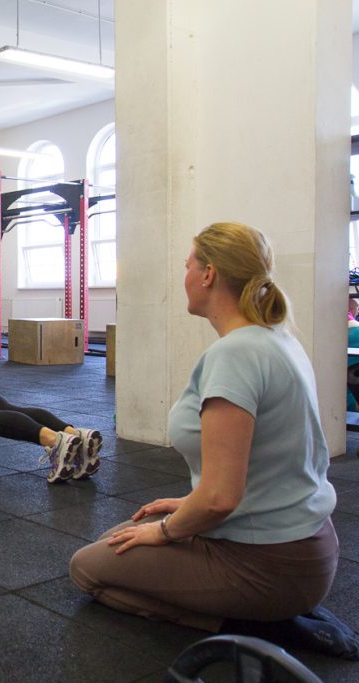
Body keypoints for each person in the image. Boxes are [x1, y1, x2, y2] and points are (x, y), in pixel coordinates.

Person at [69, 222, 356, 659]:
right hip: (305, 546)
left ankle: (260, 627)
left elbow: (222, 497)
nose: (183, 276)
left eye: (188, 266)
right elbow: (270, 464)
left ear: (208, 275)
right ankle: (273, 611)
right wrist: (187, 505)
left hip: (270, 565)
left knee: (87, 570)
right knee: (119, 537)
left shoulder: (235, 355)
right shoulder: (276, 338)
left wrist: (168, 531)